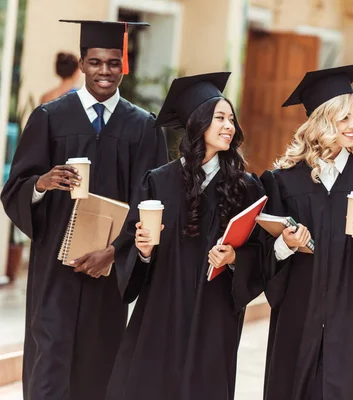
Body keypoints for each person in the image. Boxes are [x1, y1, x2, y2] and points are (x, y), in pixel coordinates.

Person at [0, 19, 168, 400]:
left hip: (107, 273)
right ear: (82, 63)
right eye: (95, 62)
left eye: (113, 63)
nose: (104, 71)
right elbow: (15, 187)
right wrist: (41, 184)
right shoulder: (49, 118)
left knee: (99, 364)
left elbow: (152, 201)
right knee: (49, 361)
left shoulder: (143, 127)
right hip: (54, 271)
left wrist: (115, 251)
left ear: (124, 65)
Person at [106, 72, 265, 400]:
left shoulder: (246, 187)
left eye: (231, 119)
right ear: (198, 123)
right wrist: (144, 250)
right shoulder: (158, 182)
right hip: (162, 307)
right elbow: (129, 247)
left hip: (215, 311)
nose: (229, 126)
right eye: (220, 118)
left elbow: (261, 250)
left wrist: (235, 258)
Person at [260, 64, 353, 400]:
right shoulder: (283, 181)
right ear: (322, 122)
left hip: (351, 313)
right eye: (345, 118)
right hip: (299, 311)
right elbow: (263, 255)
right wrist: (285, 244)